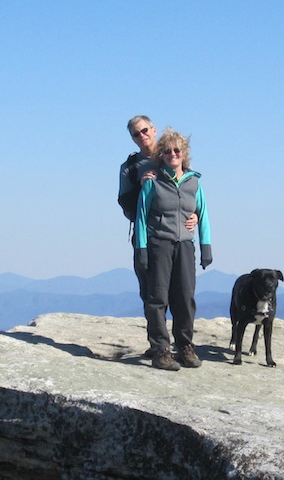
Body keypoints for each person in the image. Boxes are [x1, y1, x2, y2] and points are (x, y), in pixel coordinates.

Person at [134, 128, 212, 371]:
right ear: (161, 155)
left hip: (185, 246)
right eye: (167, 151)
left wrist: (205, 245)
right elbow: (141, 216)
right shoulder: (152, 182)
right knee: (157, 299)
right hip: (159, 245)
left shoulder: (194, 182)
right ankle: (160, 351)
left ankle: (185, 347)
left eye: (177, 150)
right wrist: (142, 249)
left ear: (184, 153)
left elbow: (203, 213)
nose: (172, 154)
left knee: (185, 298)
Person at [118, 116, 197, 356]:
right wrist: (142, 188)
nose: (141, 136)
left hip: (180, 238)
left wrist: (196, 217)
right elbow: (126, 206)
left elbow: (189, 192)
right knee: (153, 294)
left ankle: (183, 345)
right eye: (135, 134)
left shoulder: (172, 153)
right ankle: (160, 346)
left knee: (182, 294)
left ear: (153, 129)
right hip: (148, 238)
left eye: (144, 130)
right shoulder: (130, 168)